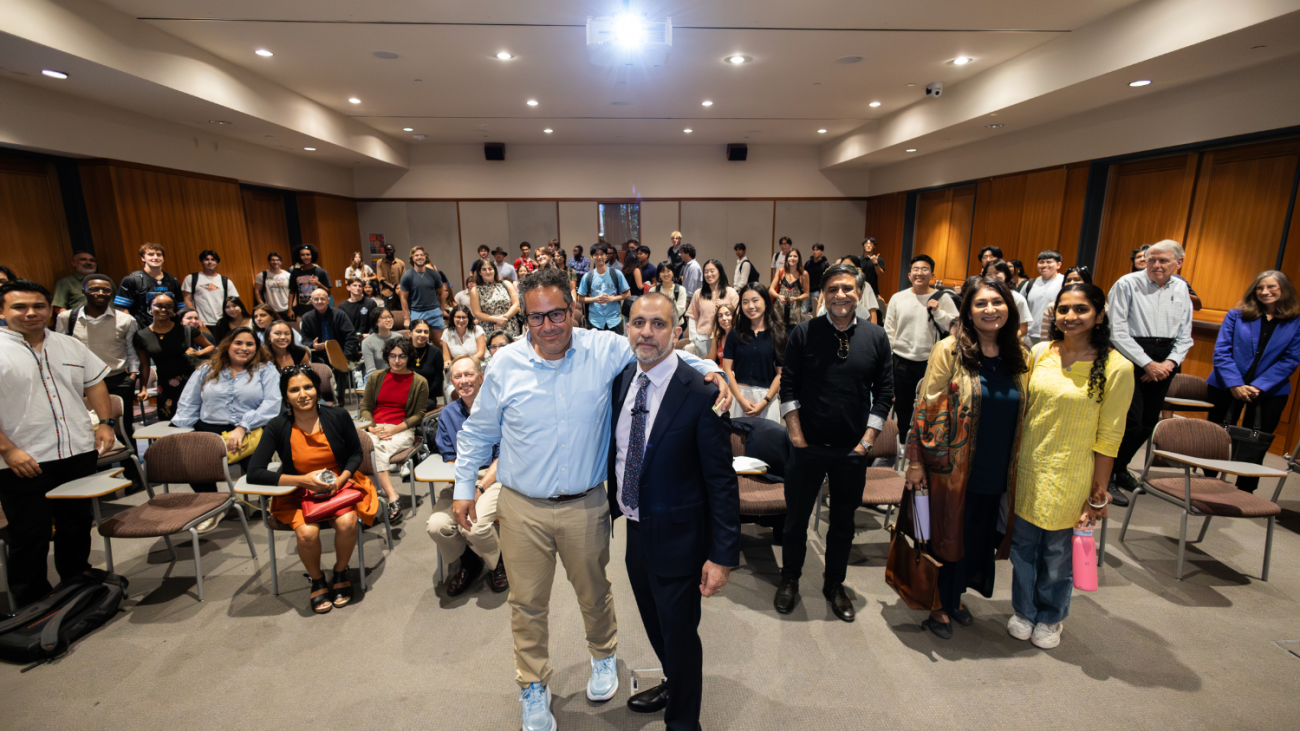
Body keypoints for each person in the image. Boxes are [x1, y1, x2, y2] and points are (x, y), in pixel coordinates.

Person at [448, 268, 729, 731]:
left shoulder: (604, 348)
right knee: (527, 605)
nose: (548, 325)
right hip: (522, 507)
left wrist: (711, 369)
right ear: (523, 318)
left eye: (557, 313)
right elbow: (477, 433)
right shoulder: (503, 364)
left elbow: (656, 350)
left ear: (574, 308)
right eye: (536, 317)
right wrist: (464, 488)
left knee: (595, 594)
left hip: (586, 504)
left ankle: (603, 656)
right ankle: (532, 686)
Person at [608, 293, 740, 729]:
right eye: (638, 323)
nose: (646, 332)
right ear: (627, 328)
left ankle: (683, 722)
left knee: (680, 634)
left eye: (658, 324)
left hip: (681, 538)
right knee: (654, 621)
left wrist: (722, 555)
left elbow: (721, 481)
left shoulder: (702, 393)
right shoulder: (622, 380)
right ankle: (673, 682)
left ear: (677, 331)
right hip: (635, 529)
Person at [904, 278, 1029, 639]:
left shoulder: (1020, 356)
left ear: (1009, 308)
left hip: (998, 466)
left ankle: (955, 595)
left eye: (997, 302)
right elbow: (926, 407)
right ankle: (937, 603)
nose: (990, 309)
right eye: (981, 303)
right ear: (968, 312)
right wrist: (915, 461)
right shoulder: (949, 350)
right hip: (951, 467)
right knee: (945, 536)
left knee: (975, 537)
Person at [1012, 283, 1133, 649]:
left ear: (1099, 315)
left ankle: (1051, 616)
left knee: (1056, 554)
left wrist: (1098, 494)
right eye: (1063, 309)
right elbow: (1024, 411)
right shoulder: (1039, 352)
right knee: (1022, 549)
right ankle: (1024, 610)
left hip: (1073, 472)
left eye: (1081, 309)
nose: (1070, 316)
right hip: (1029, 467)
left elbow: (1109, 438)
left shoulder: (1117, 367)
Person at [774, 264, 893, 622]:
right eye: (832, 289)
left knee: (843, 523)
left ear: (859, 293)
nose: (840, 295)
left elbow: (884, 393)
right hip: (807, 447)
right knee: (795, 520)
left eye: (847, 288)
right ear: (822, 295)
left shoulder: (876, 336)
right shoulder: (804, 332)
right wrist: (797, 437)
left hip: (852, 451)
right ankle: (790, 579)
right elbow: (788, 387)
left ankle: (834, 584)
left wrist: (866, 443)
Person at [0, 279, 116, 609]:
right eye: (20, 307)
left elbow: (95, 384)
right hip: (24, 458)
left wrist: (105, 423)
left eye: (39, 306)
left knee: (76, 524)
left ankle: (77, 585)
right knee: (29, 534)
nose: (31, 313)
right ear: (2, 311)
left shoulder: (69, 345)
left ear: (50, 310)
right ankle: (32, 604)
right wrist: (8, 450)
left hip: (76, 451)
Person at [247, 366, 379, 614]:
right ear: (286, 396)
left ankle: (340, 572)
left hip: (338, 484)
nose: (303, 394)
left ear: (317, 389)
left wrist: (341, 480)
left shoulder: (338, 415)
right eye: (294, 390)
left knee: (348, 521)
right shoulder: (277, 425)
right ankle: (317, 579)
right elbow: (254, 472)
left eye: (308, 387)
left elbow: (355, 454)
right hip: (297, 491)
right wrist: (302, 481)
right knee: (307, 533)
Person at [1106, 239, 1193, 506]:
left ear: (1178, 263)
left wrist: (1168, 364)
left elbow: (1185, 335)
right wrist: (1147, 364)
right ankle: (1105, 476)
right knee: (1128, 423)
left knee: (1147, 423)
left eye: (1163, 260)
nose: (1155, 264)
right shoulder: (1126, 283)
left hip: (1165, 360)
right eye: (1151, 259)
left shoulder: (1181, 287)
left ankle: (1120, 468)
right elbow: (1117, 331)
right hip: (1131, 355)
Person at [171, 327, 280, 531]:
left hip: (252, 429)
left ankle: (270, 500)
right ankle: (212, 506)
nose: (244, 348)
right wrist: (183, 433)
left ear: (256, 348)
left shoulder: (265, 369)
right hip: (209, 429)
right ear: (227, 345)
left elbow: (272, 403)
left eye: (249, 344)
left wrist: (243, 427)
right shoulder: (207, 368)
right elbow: (189, 401)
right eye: (238, 343)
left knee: (256, 467)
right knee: (193, 462)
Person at [1204, 270, 1300, 492]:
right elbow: (1222, 351)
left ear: (1284, 289)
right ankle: (1207, 481)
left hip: (1270, 390)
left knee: (1255, 442)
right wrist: (1235, 384)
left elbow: (1291, 359)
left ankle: (1245, 490)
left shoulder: (1296, 322)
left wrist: (1258, 386)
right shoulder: (1236, 315)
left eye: (1271, 287)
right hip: (1226, 384)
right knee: (1217, 435)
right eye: (1260, 288)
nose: (1265, 292)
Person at [427, 355, 507, 596]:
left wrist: (479, 488)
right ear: (452, 381)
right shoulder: (448, 414)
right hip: (462, 477)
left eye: (469, 374)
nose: (464, 381)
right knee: (437, 526)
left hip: (494, 477)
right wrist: (464, 487)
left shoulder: (499, 408)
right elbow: (450, 458)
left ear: (481, 377)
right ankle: (469, 561)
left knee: (474, 527)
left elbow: (504, 457)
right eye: (458, 376)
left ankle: (498, 562)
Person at [55, 274, 141, 471]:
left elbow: (131, 350)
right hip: (81, 383)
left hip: (117, 380)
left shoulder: (126, 319)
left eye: (106, 290)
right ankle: (103, 472)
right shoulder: (67, 318)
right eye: (94, 289)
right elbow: (58, 348)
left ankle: (133, 474)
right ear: (83, 291)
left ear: (111, 294)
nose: (100, 293)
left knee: (123, 429)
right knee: (89, 428)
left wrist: (132, 376)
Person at [883, 255, 960, 433]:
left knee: (929, 403)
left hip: (930, 361)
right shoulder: (898, 298)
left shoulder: (942, 298)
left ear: (932, 275)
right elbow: (889, 331)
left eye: (925, 269)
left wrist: (938, 312)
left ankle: (924, 438)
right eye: (916, 269)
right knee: (902, 404)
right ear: (909, 275)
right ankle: (903, 440)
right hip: (900, 360)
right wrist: (887, 359)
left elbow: (956, 327)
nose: (920, 273)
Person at [359, 337, 429, 525]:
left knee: (369, 452)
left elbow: (419, 414)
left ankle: (373, 501)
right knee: (370, 449)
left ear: (409, 357)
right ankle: (392, 496)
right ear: (387, 357)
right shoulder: (376, 377)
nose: (397, 361)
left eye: (402, 356)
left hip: (402, 430)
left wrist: (394, 429)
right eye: (392, 356)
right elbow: (365, 406)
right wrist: (371, 427)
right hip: (374, 428)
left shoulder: (419, 382)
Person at [134, 294, 211, 421]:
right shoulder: (141, 336)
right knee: (168, 420)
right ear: (150, 308)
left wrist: (197, 353)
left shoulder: (186, 330)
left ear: (173, 310)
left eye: (169, 306)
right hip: (164, 385)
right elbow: (144, 364)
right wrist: (143, 388)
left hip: (191, 382)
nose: (164, 309)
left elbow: (211, 347)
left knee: (195, 420)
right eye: (159, 306)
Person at [723, 284, 784, 423]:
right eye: (745, 302)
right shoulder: (734, 333)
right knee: (736, 436)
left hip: (766, 398)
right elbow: (727, 368)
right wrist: (740, 399)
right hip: (739, 396)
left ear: (766, 302)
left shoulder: (778, 334)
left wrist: (765, 401)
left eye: (755, 300)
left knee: (767, 437)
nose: (750, 306)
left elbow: (780, 374)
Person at [115, 243, 186, 327]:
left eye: (159, 255)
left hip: (170, 328)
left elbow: (180, 308)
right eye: (151, 254)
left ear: (163, 258)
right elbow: (122, 308)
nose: (155, 257)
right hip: (143, 329)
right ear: (143, 258)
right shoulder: (132, 280)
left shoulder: (173, 280)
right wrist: (133, 328)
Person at [299, 286, 360, 383]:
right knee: (317, 368)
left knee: (340, 369)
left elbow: (352, 337)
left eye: (322, 299)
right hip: (319, 354)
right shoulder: (306, 318)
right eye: (316, 299)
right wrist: (313, 345)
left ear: (328, 300)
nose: (319, 301)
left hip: (341, 352)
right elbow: (304, 339)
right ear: (311, 301)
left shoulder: (339, 314)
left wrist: (345, 356)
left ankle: (340, 393)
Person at [686, 259, 739, 356]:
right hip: (703, 339)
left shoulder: (731, 292)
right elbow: (693, 317)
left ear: (719, 272)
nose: (709, 274)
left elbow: (737, 316)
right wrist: (694, 338)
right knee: (704, 365)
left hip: (726, 338)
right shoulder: (698, 293)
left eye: (712, 271)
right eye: (706, 272)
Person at [399, 246, 451, 341]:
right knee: (419, 342)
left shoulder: (434, 274)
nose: (419, 257)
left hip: (434, 312)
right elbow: (403, 298)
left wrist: (441, 310)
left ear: (425, 257)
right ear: (412, 258)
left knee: (440, 342)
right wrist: (406, 318)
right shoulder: (407, 276)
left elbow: (441, 293)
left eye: (422, 255)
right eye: (416, 255)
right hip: (417, 312)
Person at [579, 243, 631, 334]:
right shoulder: (587, 276)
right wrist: (595, 299)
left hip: (614, 320)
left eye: (602, 254)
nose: (599, 257)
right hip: (595, 321)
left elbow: (628, 293)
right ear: (592, 257)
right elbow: (580, 298)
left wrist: (612, 298)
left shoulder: (616, 273)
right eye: (596, 254)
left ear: (606, 256)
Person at [182, 250, 239, 327]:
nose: (210, 262)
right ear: (202, 262)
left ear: (217, 262)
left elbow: (234, 302)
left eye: (213, 259)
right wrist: (195, 318)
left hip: (222, 322)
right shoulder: (191, 278)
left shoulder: (226, 281)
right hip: (201, 323)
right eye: (206, 259)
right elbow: (187, 299)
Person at [441, 305, 486, 398]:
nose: (461, 320)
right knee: (451, 388)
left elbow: (481, 353)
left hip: (478, 366)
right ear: (453, 318)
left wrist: (466, 363)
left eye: (464, 317)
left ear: (469, 318)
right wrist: (450, 365)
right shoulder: (447, 333)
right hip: (458, 369)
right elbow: (447, 358)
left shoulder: (477, 330)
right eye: (458, 317)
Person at [472, 257, 521, 340]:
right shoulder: (475, 290)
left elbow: (516, 305)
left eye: (490, 269)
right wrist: (497, 320)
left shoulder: (506, 284)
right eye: (484, 269)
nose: (487, 272)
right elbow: (477, 313)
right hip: (490, 330)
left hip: (511, 327)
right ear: (480, 272)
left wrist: (504, 318)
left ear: (494, 270)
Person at [981, 260, 1032, 341]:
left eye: (997, 273)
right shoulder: (979, 296)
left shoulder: (1017, 298)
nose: (993, 277)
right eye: (989, 274)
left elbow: (1023, 329)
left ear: (1006, 275)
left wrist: (1004, 339)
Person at [1024, 250, 1064, 345]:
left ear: (1058, 265)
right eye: (1041, 262)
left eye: (1049, 262)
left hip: (1054, 335)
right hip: (1029, 335)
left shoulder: (1064, 282)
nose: (1044, 265)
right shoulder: (1030, 283)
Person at [407, 319, 444, 410]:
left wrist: (422, 395)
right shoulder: (403, 351)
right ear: (409, 333)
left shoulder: (436, 352)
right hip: (404, 395)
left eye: (426, 332)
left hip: (427, 397)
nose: (423, 334)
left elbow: (438, 380)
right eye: (418, 331)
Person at [770, 247, 809, 328]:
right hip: (779, 309)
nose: (792, 258)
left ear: (799, 258)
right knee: (778, 333)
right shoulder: (781, 271)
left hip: (794, 312)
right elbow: (771, 289)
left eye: (795, 256)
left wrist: (796, 298)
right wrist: (779, 296)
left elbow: (806, 293)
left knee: (793, 333)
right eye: (790, 256)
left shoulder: (804, 274)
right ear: (787, 258)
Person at [289, 244, 330, 319]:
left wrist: (318, 284)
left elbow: (329, 292)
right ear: (299, 256)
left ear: (312, 255)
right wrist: (290, 309)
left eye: (308, 254)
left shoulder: (321, 272)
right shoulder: (295, 272)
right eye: (302, 255)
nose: (305, 257)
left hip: (319, 310)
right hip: (301, 311)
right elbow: (292, 292)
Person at [361, 308, 401, 379]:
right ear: (375, 322)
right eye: (384, 317)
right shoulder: (367, 342)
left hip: (398, 377)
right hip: (377, 379)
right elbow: (371, 371)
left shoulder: (399, 338)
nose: (388, 320)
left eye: (390, 317)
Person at [253, 252, 292, 319]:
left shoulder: (288, 275)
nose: (275, 262)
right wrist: (263, 306)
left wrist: (291, 308)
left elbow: (293, 292)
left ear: (281, 262)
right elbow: (257, 291)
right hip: (271, 310)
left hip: (286, 309)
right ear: (269, 261)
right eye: (273, 260)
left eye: (277, 260)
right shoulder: (262, 275)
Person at [649, 263, 688, 329]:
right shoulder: (653, 291)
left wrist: (661, 314)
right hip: (658, 327)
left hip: (676, 327)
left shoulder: (681, 290)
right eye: (662, 271)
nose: (666, 274)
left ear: (673, 272)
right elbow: (651, 309)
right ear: (659, 274)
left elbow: (680, 310)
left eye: (668, 271)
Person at [805, 244, 830, 315]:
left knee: (816, 311)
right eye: (814, 250)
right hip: (807, 291)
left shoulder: (825, 264)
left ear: (822, 251)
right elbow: (804, 276)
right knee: (805, 311)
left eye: (817, 250)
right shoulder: (808, 263)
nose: (815, 251)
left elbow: (827, 278)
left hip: (817, 291)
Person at [860, 238, 886, 306]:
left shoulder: (878, 259)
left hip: (873, 290)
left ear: (874, 246)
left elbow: (880, 274)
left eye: (871, 244)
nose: (868, 246)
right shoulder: (858, 259)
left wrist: (875, 263)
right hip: (859, 290)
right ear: (863, 246)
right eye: (866, 244)